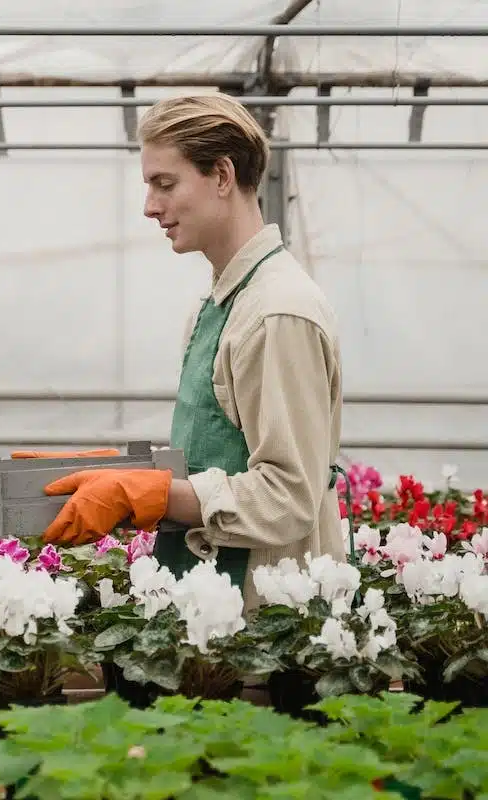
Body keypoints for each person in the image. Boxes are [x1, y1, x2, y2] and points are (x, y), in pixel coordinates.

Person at [38, 93, 346, 609]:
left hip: (263, 615)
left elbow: (290, 495)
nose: (150, 206)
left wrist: (149, 494)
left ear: (221, 176)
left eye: (165, 183)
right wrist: (118, 472)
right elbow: (215, 451)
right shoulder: (222, 298)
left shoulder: (277, 312)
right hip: (211, 591)